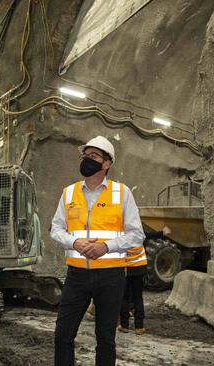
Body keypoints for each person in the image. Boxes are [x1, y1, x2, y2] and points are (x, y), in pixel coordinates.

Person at [51, 136, 145, 366]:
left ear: (106, 164)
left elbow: (137, 234)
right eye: (85, 155)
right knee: (63, 335)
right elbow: (56, 229)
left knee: (105, 339)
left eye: (93, 156)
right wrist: (75, 243)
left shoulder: (122, 193)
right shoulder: (69, 193)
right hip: (76, 276)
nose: (87, 160)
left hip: (111, 277)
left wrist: (106, 247)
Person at [118, 225, 172, 335]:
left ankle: (124, 326)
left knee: (125, 297)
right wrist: (163, 232)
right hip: (140, 268)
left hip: (125, 269)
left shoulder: (120, 234)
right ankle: (139, 327)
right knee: (138, 297)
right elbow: (151, 235)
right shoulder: (139, 232)